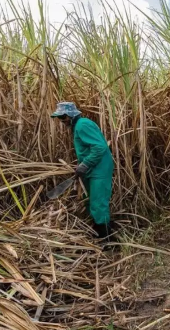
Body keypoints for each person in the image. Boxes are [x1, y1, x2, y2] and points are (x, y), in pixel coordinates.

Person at [51, 102, 114, 240]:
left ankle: (107, 240)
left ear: (68, 115)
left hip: (100, 169)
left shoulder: (82, 125)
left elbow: (100, 147)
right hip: (93, 169)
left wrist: (85, 164)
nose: (61, 121)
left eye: (62, 117)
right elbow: (87, 149)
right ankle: (100, 232)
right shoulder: (79, 126)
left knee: (98, 203)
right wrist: (82, 165)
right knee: (91, 202)